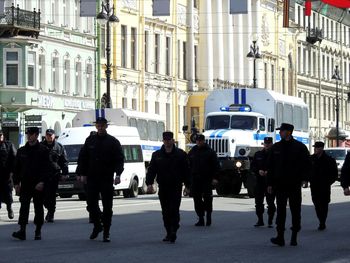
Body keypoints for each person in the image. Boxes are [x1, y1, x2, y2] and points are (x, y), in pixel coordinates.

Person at [78, 117, 124, 242]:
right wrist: (82, 173)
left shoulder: (113, 141)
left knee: (107, 207)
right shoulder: (90, 140)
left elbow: (119, 159)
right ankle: (98, 225)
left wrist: (118, 174)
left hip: (106, 178)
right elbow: (83, 157)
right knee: (91, 205)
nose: (100, 127)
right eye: (98, 125)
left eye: (102, 125)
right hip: (92, 178)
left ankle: (106, 232)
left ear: (106, 127)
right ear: (96, 126)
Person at [267, 123, 310, 247]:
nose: (280, 132)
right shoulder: (276, 147)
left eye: (282, 131)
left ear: (289, 132)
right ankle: (280, 236)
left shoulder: (299, 147)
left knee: (295, 211)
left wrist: (305, 179)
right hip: (280, 185)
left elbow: (307, 165)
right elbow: (270, 167)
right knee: (280, 211)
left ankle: (294, 236)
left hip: (294, 185)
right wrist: (269, 183)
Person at [146, 131, 190, 243]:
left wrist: (188, 186)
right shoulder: (157, 155)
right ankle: (168, 232)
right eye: (165, 140)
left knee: (174, 210)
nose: (167, 142)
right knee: (165, 211)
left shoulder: (181, 154)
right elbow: (151, 170)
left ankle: (173, 230)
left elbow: (186, 171)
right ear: (163, 140)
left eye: (169, 139)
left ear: (173, 140)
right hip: (163, 187)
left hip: (176, 187)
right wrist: (149, 183)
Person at [12, 127, 50, 240]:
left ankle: (38, 230)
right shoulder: (22, 150)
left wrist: (42, 182)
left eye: (31, 134)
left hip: (38, 184)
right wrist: (16, 183)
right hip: (26, 183)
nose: (29, 136)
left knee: (38, 207)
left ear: (36, 135)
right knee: (24, 207)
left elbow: (47, 168)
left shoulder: (43, 150)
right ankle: (22, 231)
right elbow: (16, 168)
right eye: (28, 134)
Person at [188, 134, 219, 227]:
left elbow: (216, 166)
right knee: (196, 199)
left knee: (207, 198)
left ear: (203, 141)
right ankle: (201, 218)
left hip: (207, 179)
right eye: (197, 141)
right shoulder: (193, 151)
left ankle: (208, 215)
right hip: (195, 179)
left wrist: (215, 178)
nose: (198, 142)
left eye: (200, 141)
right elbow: (188, 164)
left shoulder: (210, 152)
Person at [41, 128, 69, 223]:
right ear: (45, 136)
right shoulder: (40, 146)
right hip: (42, 175)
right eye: (47, 135)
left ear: (54, 136)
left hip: (54, 174)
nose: (49, 137)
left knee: (52, 195)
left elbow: (64, 161)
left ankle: (51, 213)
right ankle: (48, 207)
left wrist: (65, 173)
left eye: (51, 135)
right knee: (43, 195)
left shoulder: (59, 147)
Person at [309, 141, 337, 231]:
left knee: (324, 204)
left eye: (317, 148)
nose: (315, 149)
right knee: (316, 204)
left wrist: (328, 182)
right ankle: (321, 219)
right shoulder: (311, 159)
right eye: (315, 148)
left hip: (324, 186)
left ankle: (322, 221)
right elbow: (306, 170)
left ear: (321, 148)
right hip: (314, 186)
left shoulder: (329, 160)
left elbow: (334, 174)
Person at [251, 136, 275, 228]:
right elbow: (253, 167)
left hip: (270, 183)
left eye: (269, 143)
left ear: (271, 144)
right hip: (259, 182)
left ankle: (270, 220)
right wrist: (258, 171)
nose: (267, 145)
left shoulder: (275, 154)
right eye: (266, 143)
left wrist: (269, 172)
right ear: (263, 144)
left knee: (271, 203)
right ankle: (260, 220)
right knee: (258, 202)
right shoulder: (258, 154)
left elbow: (277, 167)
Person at [0, 129, 16, 219]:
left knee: (8, 194)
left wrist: (14, 171)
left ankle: (9, 209)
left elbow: (15, 157)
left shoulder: (9, 145)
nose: (0, 137)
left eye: (1, 135)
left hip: (7, 175)